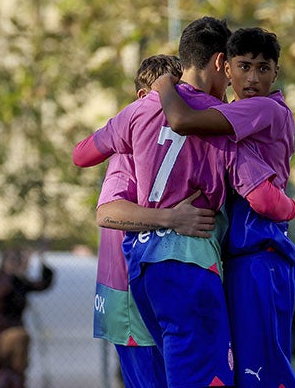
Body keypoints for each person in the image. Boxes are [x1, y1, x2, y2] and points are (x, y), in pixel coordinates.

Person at [73, 16, 295, 388]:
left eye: (260, 68)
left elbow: (81, 154)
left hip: (142, 272)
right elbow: (261, 196)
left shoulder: (139, 112)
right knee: (208, 377)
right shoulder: (219, 129)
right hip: (188, 267)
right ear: (221, 64)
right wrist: (289, 207)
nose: (239, 82)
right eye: (237, 68)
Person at [152, 26, 295, 388]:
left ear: (275, 73)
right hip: (239, 260)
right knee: (240, 370)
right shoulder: (237, 114)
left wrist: (163, 85)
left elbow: (182, 121)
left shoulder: (263, 109)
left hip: (260, 257)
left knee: (263, 373)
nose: (252, 77)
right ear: (227, 68)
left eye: (263, 68)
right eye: (244, 66)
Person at [94, 54, 186, 388]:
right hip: (130, 294)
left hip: (159, 288)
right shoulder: (129, 150)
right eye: (167, 96)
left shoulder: (177, 145)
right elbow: (108, 213)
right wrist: (171, 218)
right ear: (141, 100)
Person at [0, 247, 55, 388]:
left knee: (17, 369)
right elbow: (3, 292)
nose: (16, 264)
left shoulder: (20, 282)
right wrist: (15, 274)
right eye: (13, 260)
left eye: (18, 260)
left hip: (16, 331)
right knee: (21, 337)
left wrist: (42, 262)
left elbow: (43, 285)